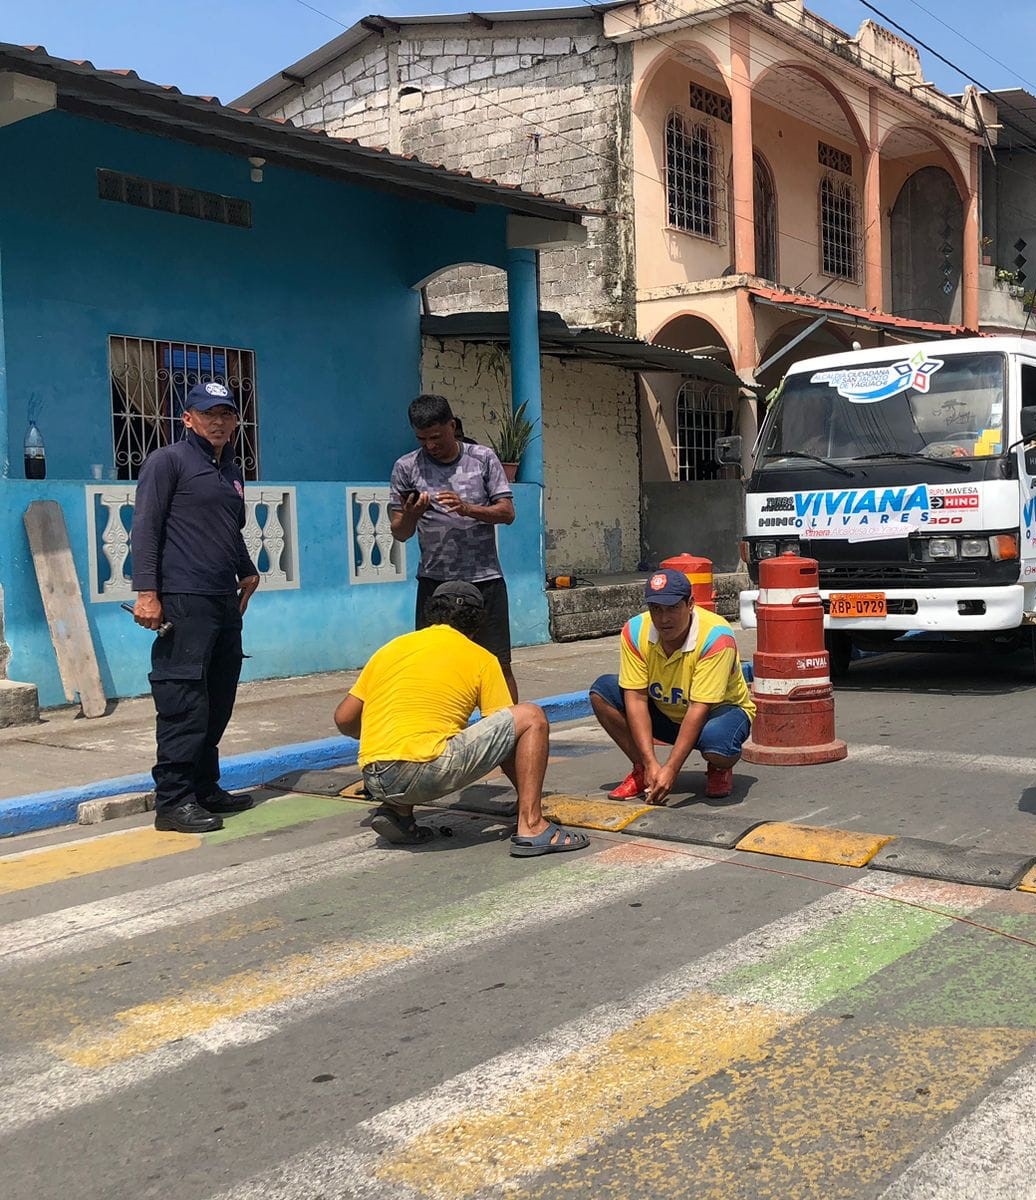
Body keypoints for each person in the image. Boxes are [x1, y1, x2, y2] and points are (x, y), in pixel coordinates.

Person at [333, 580, 588, 857]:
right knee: (530, 716)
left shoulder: (390, 649)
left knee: (418, 738)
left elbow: (344, 718)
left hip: (373, 777)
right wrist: (527, 795)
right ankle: (532, 825)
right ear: (477, 622)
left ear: (431, 612)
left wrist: (380, 738)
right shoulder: (482, 658)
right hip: (426, 771)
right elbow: (508, 739)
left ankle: (398, 812)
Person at [131, 381, 261, 834]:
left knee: (218, 697)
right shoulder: (167, 462)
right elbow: (145, 528)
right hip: (183, 599)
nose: (219, 422)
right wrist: (147, 593)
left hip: (222, 599)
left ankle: (205, 787)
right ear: (188, 419)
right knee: (183, 700)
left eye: (226, 414)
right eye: (209, 414)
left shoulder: (230, 470)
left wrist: (247, 568)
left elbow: (229, 529)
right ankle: (173, 801)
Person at [389, 393, 519, 702]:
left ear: (453, 426)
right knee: (432, 662)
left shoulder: (482, 458)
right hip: (435, 582)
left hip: (484, 579)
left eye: (436, 437)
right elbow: (400, 532)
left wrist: (467, 508)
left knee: (497, 662)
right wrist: (412, 514)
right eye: (422, 439)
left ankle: (512, 725)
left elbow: (507, 513)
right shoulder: (406, 467)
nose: (430, 445)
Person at [589, 567, 755, 804]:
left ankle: (719, 768)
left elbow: (699, 708)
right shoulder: (635, 631)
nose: (664, 619)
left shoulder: (716, 638)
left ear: (690, 604)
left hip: (717, 713)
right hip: (667, 711)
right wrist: (650, 762)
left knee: (718, 745)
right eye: (656, 609)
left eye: (673, 608)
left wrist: (672, 768)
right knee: (603, 691)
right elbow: (635, 698)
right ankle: (643, 771)